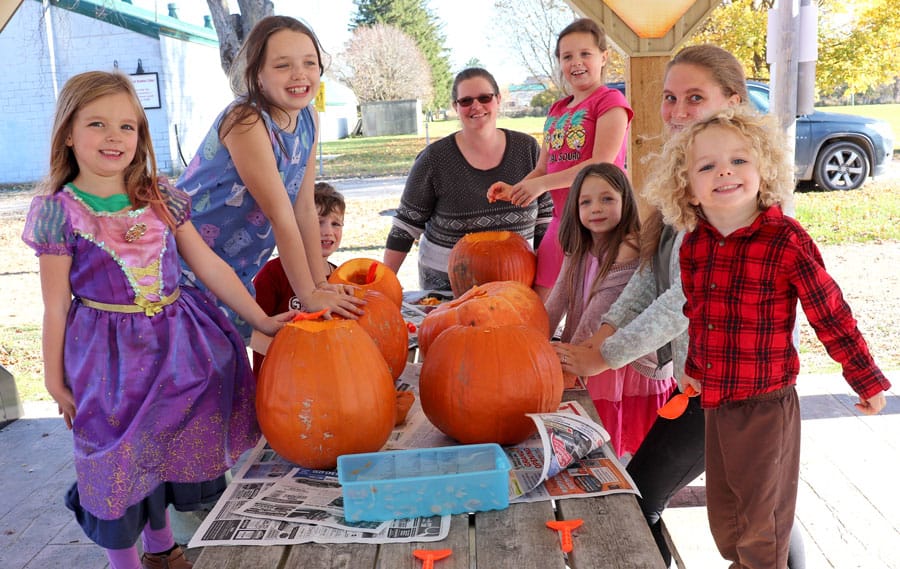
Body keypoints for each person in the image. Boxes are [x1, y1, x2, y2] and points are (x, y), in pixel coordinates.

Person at [22, 71, 294, 569]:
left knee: (164, 445)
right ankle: (125, 563)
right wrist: (53, 379)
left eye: (127, 127)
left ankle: (162, 549)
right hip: (107, 361)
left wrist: (259, 318)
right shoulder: (59, 213)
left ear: (140, 136)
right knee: (115, 460)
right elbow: (55, 305)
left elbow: (209, 265)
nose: (114, 137)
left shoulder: (159, 196)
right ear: (68, 133)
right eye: (97, 124)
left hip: (177, 347)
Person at [552, 45, 807, 568]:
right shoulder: (689, 182)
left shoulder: (738, 194)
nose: (676, 111)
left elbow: (686, 298)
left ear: (733, 102)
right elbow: (650, 276)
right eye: (670, 98)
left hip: (742, 388)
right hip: (698, 382)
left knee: (667, 500)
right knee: (753, 512)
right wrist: (601, 336)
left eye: (694, 97)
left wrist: (607, 355)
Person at [644, 105, 890, 569]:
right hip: (715, 402)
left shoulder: (785, 241)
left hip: (766, 406)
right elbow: (700, 314)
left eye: (739, 160)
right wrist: (693, 369)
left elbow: (830, 313)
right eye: (707, 166)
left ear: (764, 170)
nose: (725, 172)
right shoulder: (695, 244)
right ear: (687, 186)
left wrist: (865, 378)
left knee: (762, 527)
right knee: (727, 520)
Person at [176, 15, 362, 341]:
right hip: (184, 266)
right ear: (257, 75)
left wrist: (321, 284)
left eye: (309, 63)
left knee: (225, 362)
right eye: (282, 65)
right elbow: (281, 215)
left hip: (234, 272)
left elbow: (304, 207)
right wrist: (309, 296)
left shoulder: (309, 118)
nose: (299, 74)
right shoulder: (245, 120)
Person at [487, 18, 632, 300]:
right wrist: (517, 189)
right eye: (567, 56)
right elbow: (543, 168)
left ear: (603, 57)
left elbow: (600, 164)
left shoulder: (610, 101)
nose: (576, 62)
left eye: (585, 53)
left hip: (601, 223)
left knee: (594, 304)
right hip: (561, 221)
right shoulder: (557, 110)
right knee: (539, 302)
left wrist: (541, 185)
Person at [543, 163, 676, 458]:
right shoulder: (577, 247)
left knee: (619, 450)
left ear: (625, 202)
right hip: (588, 353)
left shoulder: (629, 247)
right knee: (594, 444)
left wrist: (567, 360)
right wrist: (532, 343)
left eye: (607, 199)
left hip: (620, 363)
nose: (596, 208)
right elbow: (557, 300)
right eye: (586, 202)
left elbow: (600, 315)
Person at [383, 67, 553, 291]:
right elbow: (405, 226)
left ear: (498, 99)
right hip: (447, 286)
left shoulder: (527, 149)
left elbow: (545, 216)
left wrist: (543, 277)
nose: (476, 106)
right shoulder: (434, 159)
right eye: (466, 101)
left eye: (485, 98)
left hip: (516, 283)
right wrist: (382, 284)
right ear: (456, 107)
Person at [252, 182, 345, 373]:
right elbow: (250, 333)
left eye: (335, 224)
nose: (328, 231)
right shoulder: (273, 273)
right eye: (318, 222)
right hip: (278, 377)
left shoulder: (340, 279)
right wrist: (291, 357)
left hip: (325, 378)